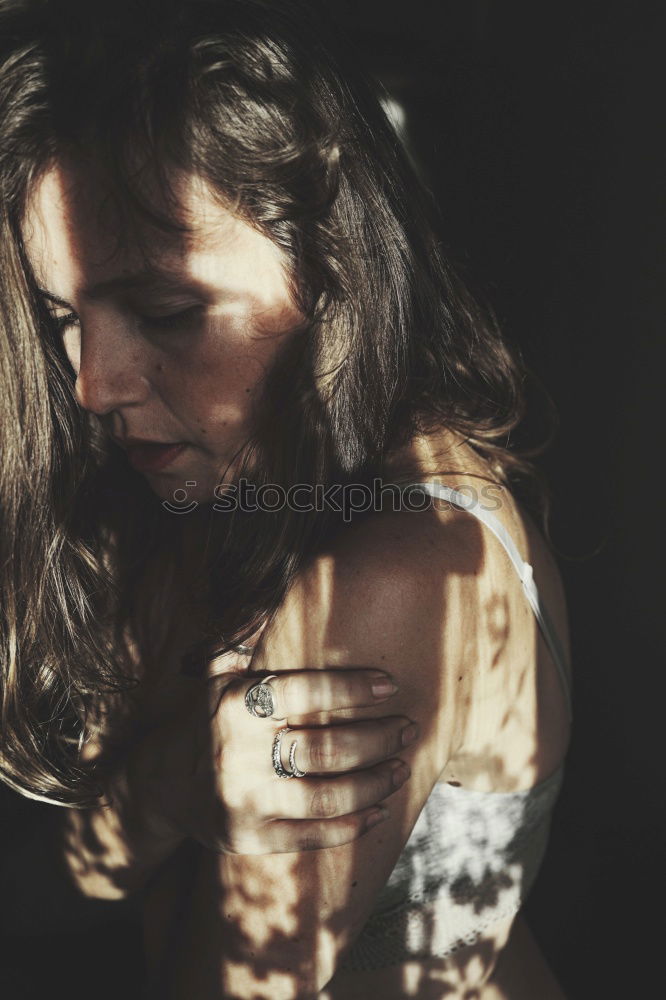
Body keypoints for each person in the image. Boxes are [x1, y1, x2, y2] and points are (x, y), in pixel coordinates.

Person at [0, 1, 572, 997]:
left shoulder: (392, 570)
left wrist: (153, 801)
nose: (93, 385)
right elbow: (63, 877)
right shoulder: (231, 500)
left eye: (165, 311)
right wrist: (173, 781)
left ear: (328, 257)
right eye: (63, 321)